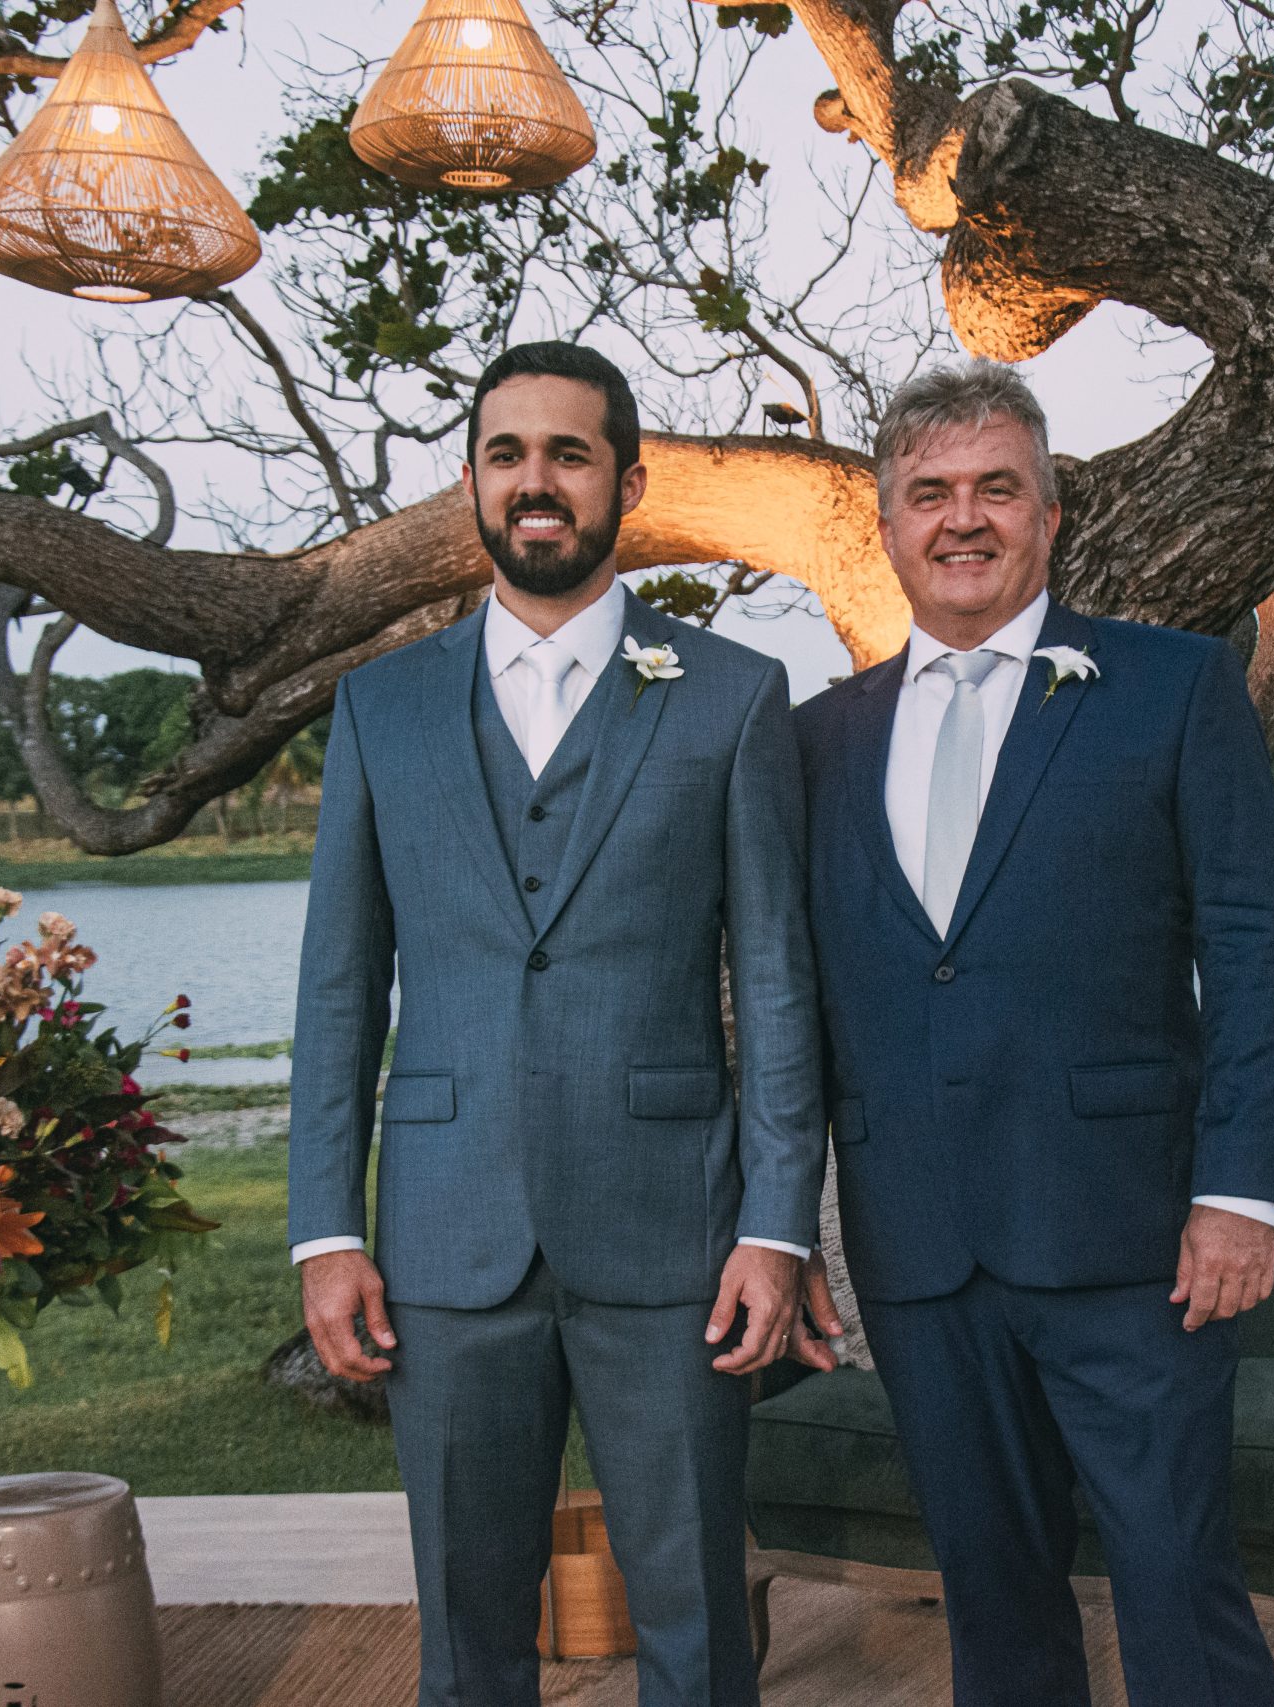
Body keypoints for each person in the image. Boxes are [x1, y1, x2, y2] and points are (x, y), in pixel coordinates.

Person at [286, 340, 823, 1707]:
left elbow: (776, 982)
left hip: (676, 1235)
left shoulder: (731, 694)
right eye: (507, 454)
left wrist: (776, 1227)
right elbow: (340, 989)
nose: (537, 481)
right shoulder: (381, 707)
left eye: (569, 454)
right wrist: (326, 1232)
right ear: (473, 482)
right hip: (443, 1236)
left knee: (698, 1624)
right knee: (468, 1638)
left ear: (626, 484)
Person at [788, 359, 1274, 1705]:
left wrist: (1241, 1194)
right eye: (929, 493)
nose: (963, 518)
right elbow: (799, 1004)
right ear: (888, 526)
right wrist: (787, 1228)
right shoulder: (817, 742)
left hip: (1136, 1242)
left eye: (997, 489)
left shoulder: (1176, 687)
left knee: (1179, 1591)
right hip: (918, 1250)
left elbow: (1254, 953)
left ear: (1051, 514)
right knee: (995, 1610)